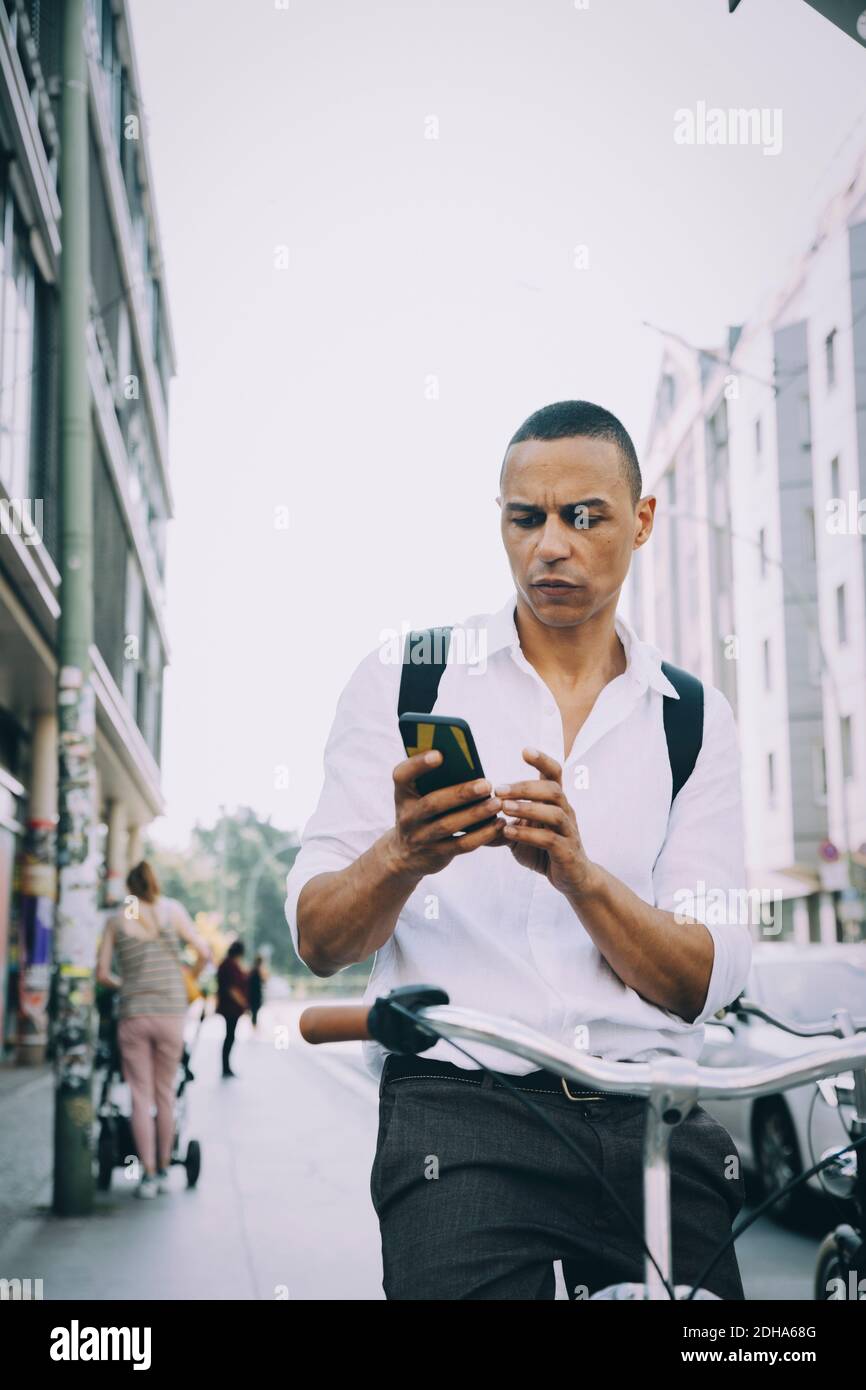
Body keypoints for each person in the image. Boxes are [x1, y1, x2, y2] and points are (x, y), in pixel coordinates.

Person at [285, 399, 753, 1301]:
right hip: (461, 1116)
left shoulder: (692, 718)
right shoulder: (405, 674)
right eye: (525, 517)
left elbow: (704, 975)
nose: (551, 545)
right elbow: (318, 936)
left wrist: (581, 879)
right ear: (499, 519)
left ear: (642, 520)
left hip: (650, 1111)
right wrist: (401, 855)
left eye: (585, 517)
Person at [97, 861, 211, 1198]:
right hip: (172, 1012)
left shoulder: (119, 918)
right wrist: (186, 978)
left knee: (139, 1094)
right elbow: (204, 952)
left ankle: (146, 1174)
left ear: (129, 888)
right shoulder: (171, 911)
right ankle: (164, 1167)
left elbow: (102, 973)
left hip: (134, 1013)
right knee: (165, 1093)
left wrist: (128, 985)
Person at [216, 941, 248, 1077]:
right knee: (230, 1037)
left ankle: (226, 1066)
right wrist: (243, 1003)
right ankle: (226, 1067)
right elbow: (232, 988)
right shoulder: (230, 966)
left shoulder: (226, 964)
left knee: (229, 1036)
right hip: (231, 1008)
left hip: (228, 1007)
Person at [247, 953, 268, 1029]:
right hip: (256, 994)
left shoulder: (252, 970)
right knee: (255, 1011)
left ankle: (254, 1025)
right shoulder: (259, 970)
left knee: (254, 1011)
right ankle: (254, 1026)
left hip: (252, 993)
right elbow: (264, 980)